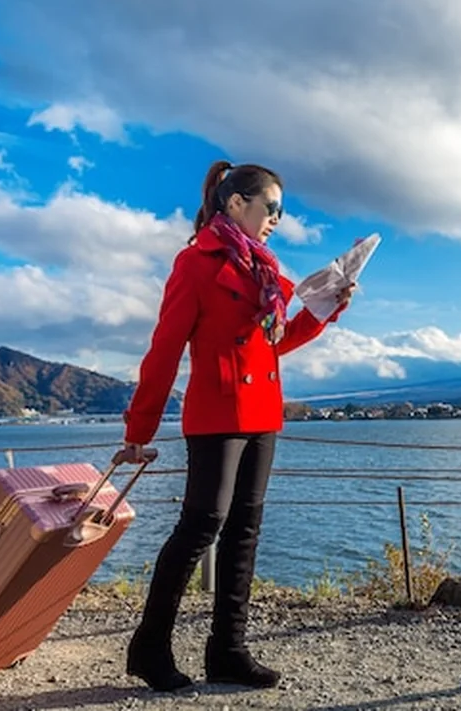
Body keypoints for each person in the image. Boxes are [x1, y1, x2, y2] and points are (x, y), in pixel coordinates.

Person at [121, 160, 354, 692]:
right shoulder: (195, 264)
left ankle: (228, 650)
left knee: (245, 532)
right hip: (216, 415)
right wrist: (140, 429)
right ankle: (149, 647)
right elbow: (164, 350)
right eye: (271, 207)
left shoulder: (265, 272)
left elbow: (276, 342)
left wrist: (327, 307)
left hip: (262, 413)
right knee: (200, 528)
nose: (277, 219)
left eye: (282, 212)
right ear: (235, 203)